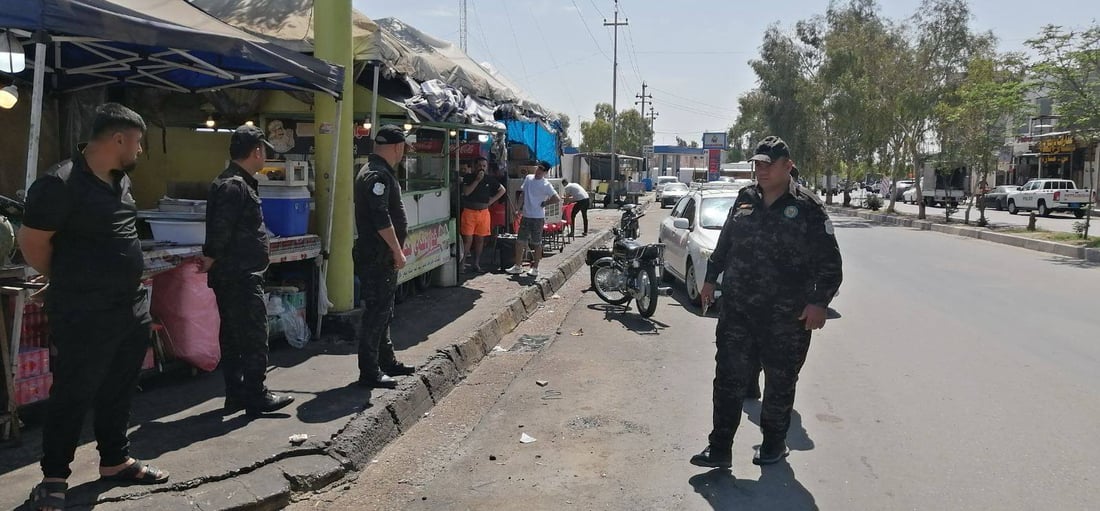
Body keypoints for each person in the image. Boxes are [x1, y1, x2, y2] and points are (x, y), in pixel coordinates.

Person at [18, 103, 169, 511]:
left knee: (119, 387)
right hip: (83, 311)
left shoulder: (119, 181)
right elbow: (32, 243)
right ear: (119, 139)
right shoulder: (60, 182)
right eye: (137, 142)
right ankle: (54, 477)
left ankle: (115, 461)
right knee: (73, 391)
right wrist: (71, 277)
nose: (139, 151)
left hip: (128, 306)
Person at [690, 136, 842, 470]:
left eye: (767, 164)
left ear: (787, 166)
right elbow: (726, 243)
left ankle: (773, 443)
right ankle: (719, 449)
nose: (760, 170)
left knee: (780, 382)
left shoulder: (808, 207)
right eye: (757, 164)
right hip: (738, 311)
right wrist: (711, 279)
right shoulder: (745, 198)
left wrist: (819, 303)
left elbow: (830, 265)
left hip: (786, 318)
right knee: (728, 380)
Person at [198, 125, 294, 417]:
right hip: (239, 275)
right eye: (264, 149)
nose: (264, 154)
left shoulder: (239, 182)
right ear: (256, 151)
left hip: (238, 273)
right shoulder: (234, 185)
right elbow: (220, 231)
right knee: (252, 335)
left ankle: (237, 394)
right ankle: (255, 393)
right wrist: (212, 257)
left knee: (235, 336)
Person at [354, 125, 417, 388]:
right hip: (377, 256)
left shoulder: (378, 172)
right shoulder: (377, 176)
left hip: (379, 255)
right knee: (376, 313)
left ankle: (386, 361)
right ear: (397, 147)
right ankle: (370, 371)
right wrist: (396, 250)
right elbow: (382, 220)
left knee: (385, 311)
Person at [505, 161, 560, 278]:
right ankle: (518, 266)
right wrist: (517, 209)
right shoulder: (529, 178)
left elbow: (556, 198)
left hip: (538, 217)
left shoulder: (546, 185)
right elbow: (522, 195)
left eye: (541, 169)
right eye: (538, 168)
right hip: (526, 215)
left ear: (545, 172)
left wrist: (545, 203)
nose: (538, 170)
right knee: (520, 241)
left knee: (537, 243)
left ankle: (535, 268)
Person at [460, 156, 506, 272]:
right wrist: (477, 180)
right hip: (469, 211)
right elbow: (466, 192)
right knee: (468, 239)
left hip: (484, 212)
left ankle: (476, 263)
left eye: (484, 166)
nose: (482, 168)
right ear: (475, 166)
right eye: (479, 165)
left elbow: (502, 190)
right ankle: (463, 263)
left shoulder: (489, 179)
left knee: (480, 239)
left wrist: (491, 200)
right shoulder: (469, 177)